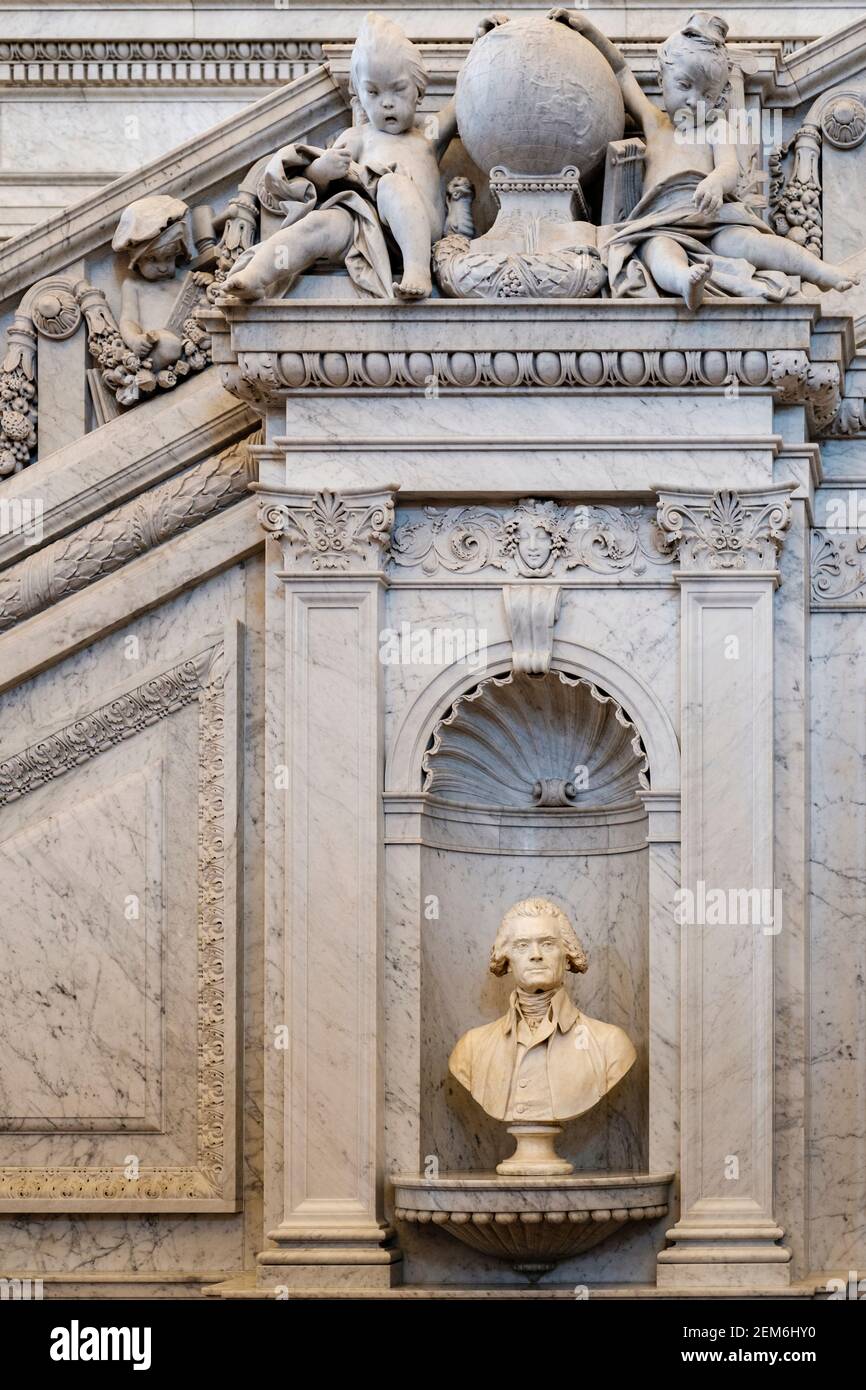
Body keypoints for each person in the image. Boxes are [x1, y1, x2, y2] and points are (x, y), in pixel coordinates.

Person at [548, 9, 858, 307]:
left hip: (714, 222)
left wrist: (714, 182)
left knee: (752, 244)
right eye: (684, 86)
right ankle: (684, 281)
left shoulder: (716, 127)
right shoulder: (654, 122)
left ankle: (820, 271)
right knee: (658, 253)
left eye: (707, 95)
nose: (694, 101)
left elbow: (729, 168)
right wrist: (586, 29)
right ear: (661, 81)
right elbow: (620, 71)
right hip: (663, 224)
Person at [221, 14, 457, 302]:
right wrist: (322, 169)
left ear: (419, 91)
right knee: (318, 224)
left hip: (417, 233)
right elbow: (315, 189)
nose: (386, 102)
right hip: (364, 227)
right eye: (373, 92)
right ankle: (258, 274)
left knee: (393, 184)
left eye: (398, 89)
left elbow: (462, 102)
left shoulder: (427, 139)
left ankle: (417, 270)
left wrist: (483, 44)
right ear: (358, 97)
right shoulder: (357, 137)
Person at [449, 897, 636, 1123]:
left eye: (547, 944)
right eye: (522, 945)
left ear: (568, 956)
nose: (535, 954)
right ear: (506, 960)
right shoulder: (472, 1048)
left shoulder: (610, 1045)